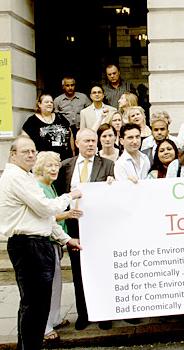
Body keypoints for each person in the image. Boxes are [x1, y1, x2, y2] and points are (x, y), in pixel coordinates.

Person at [0, 136, 82, 350]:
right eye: (25, 151)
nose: (30, 155)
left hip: (37, 244)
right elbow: (46, 208)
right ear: (12, 154)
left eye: (33, 151)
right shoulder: (15, 177)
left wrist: (66, 239)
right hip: (29, 246)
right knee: (35, 307)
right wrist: (69, 196)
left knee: (34, 306)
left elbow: (43, 217)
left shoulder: (24, 177)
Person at [54, 128, 115, 331]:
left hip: (99, 225)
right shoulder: (66, 166)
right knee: (79, 271)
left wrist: (111, 184)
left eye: (93, 141)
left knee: (102, 269)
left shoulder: (107, 165)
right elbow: (59, 196)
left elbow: (113, 194)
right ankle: (84, 313)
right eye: (87, 141)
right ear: (77, 143)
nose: (91, 144)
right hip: (74, 225)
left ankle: (105, 313)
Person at [33, 151, 81, 342]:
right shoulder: (39, 187)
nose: (54, 169)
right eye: (49, 166)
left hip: (54, 241)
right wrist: (68, 214)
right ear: (40, 166)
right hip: (44, 242)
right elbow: (48, 215)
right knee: (46, 286)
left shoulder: (48, 186)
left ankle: (54, 318)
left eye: (56, 165)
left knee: (55, 283)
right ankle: (45, 327)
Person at [22, 94, 74, 160]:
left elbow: (70, 134)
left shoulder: (60, 117)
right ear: (39, 104)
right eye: (46, 102)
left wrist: (73, 152)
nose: (49, 104)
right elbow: (25, 140)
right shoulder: (32, 121)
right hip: (44, 162)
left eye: (51, 102)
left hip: (65, 160)